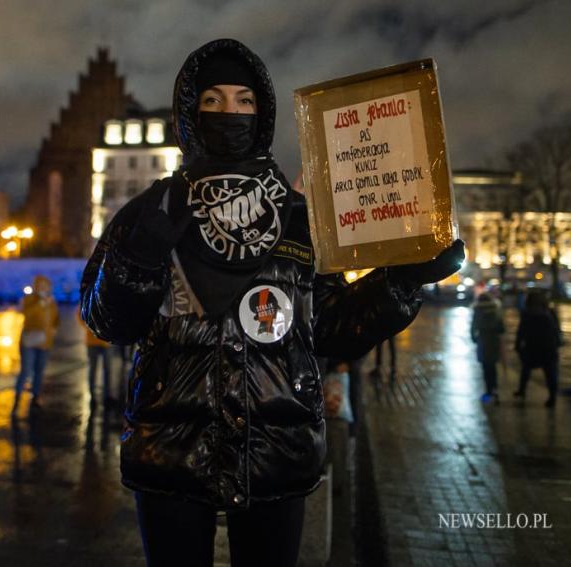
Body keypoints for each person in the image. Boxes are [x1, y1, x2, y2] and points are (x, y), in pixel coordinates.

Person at [79, 38, 464, 567]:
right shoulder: (154, 207)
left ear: (262, 113)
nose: (229, 113)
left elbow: (330, 326)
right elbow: (106, 321)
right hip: (170, 449)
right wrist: (139, 258)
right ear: (190, 113)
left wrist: (401, 283)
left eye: (243, 100)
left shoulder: (298, 216)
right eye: (212, 100)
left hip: (275, 449)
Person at [13, 275, 58, 414]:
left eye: (46, 286)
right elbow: (27, 314)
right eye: (41, 285)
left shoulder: (51, 302)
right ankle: (17, 399)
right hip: (29, 341)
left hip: (45, 342)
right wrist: (40, 304)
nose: (44, 288)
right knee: (26, 370)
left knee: (39, 370)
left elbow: (56, 318)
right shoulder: (30, 299)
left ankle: (35, 397)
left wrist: (54, 329)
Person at [514, 290, 561, 407]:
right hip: (548, 348)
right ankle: (552, 397)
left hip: (532, 347)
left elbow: (521, 332)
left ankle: (522, 390)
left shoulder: (527, 313)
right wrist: (558, 343)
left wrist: (518, 345)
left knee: (526, 370)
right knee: (550, 374)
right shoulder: (550, 313)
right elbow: (556, 330)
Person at [470, 292, 505, 403]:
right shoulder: (496, 310)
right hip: (494, 341)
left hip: (483, 340)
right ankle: (495, 388)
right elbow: (502, 328)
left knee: (486, 367)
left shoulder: (477, 310)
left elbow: (473, 327)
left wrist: (474, 339)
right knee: (493, 366)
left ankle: (489, 390)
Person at [79, 311, 115, 408]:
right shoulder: (89, 296)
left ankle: (107, 396)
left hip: (106, 342)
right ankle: (92, 396)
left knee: (107, 370)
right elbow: (80, 315)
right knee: (93, 370)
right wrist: (90, 328)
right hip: (92, 342)